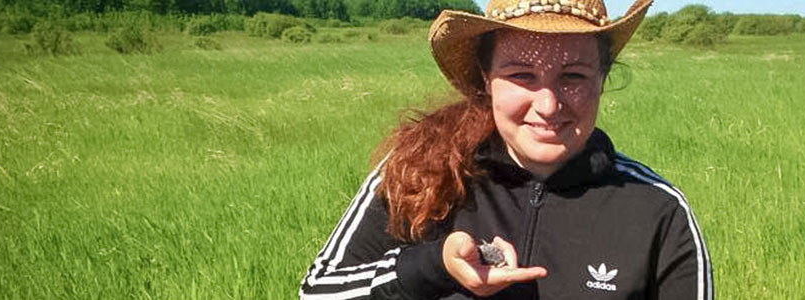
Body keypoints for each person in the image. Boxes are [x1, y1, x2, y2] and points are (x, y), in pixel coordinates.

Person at [299, 0, 711, 299]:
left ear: (601, 79)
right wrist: (434, 266)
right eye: (522, 75)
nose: (548, 104)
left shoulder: (657, 210)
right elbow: (318, 293)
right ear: (486, 79)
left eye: (573, 75)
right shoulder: (419, 171)